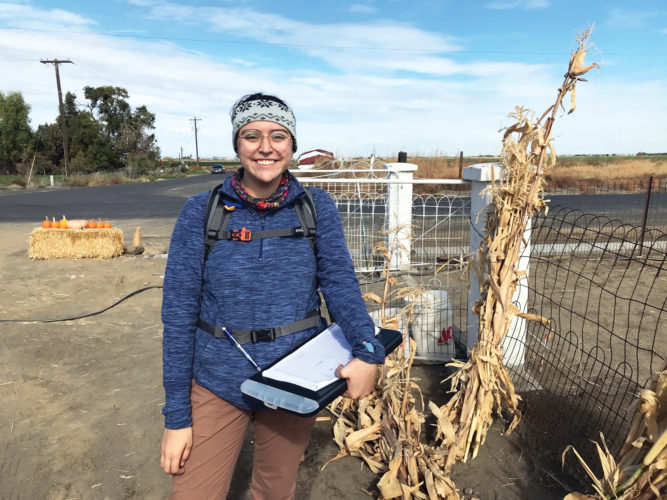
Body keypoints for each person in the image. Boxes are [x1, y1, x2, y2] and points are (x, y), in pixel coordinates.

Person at [159, 92, 386, 499]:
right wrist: (176, 417)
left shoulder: (315, 208)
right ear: (236, 144)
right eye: (252, 135)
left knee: (273, 490)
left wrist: (368, 351)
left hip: (294, 380)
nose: (266, 147)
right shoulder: (201, 212)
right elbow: (177, 315)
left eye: (278, 135)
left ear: (292, 145)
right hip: (216, 381)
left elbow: (339, 285)